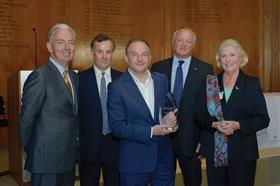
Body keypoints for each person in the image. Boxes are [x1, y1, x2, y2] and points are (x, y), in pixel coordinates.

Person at [194, 39, 270, 186]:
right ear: (219, 59)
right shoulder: (210, 83)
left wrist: (238, 125)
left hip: (242, 153)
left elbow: (263, 119)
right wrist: (214, 124)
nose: (228, 60)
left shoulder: (252, 84)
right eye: (223, 56)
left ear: (241, 57)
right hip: (215, 153)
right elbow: (199, 116)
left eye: (232, 55)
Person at [107, 38, 177, 186]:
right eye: (134, 54)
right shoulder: (116, 87)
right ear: (126, 58)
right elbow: (117, 127)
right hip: (134, 163)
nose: (140, 59)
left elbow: (168, 108)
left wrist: (171, 118)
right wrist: (151, 131)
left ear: (150, 57)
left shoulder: (162, 80)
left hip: (163, 160)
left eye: (144, 54)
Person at [151, 27, 213, 185]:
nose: (184, 44)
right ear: (173, 43)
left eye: (188, 41)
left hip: (192, 141)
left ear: (194, 45)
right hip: (163, 138)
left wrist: (205, 140)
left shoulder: (206, 70)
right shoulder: (158, 68)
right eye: (180, 40)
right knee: (162, 181)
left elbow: (210, 108)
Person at [19, 23, 78, 186]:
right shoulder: (40, 77)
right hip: (45, 162)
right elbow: (26, 122)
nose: (67, 47)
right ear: (49, 46)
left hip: (68, 160)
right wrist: (35, 152)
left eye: (71, 42)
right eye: (61, 42)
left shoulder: (73, 76)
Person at [78, 33, 121, 186]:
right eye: (99, 51)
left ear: (112, 53)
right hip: (88, 147)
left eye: (108, 52)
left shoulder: (123, 79)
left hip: (115, 146)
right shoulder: (79, 80)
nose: (104, 56)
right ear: (92, 52)